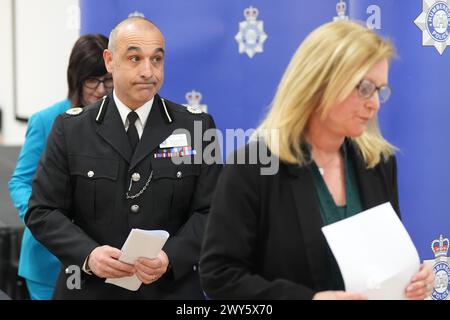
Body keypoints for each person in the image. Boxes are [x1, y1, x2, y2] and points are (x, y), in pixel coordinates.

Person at [199, 21, 434, 300]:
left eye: (380, 90)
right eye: (364, 88)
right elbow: (220, 276)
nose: (375, 104)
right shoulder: (253, 166)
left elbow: (384, 259)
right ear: (320, 83)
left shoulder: (378, 162)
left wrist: (413, 278)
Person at [25, 17, 221, 300]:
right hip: (89, 290)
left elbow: (213, 211)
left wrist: (170, 257)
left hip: (169, 290)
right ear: (109, 60)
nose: (148, 71)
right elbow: (42, 210)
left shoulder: (196, 127)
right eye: (134, 58)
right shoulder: (71, 129)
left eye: (157, 59)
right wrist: (88, 254)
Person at [8, 34, 111, 300]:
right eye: (92, 81)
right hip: (49, 261)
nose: (101, 90)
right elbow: (20, 182)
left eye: (108, 80)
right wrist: (42, 218)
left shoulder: (121, 123)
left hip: (103, 261)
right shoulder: (46, 120)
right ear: (75, 80)